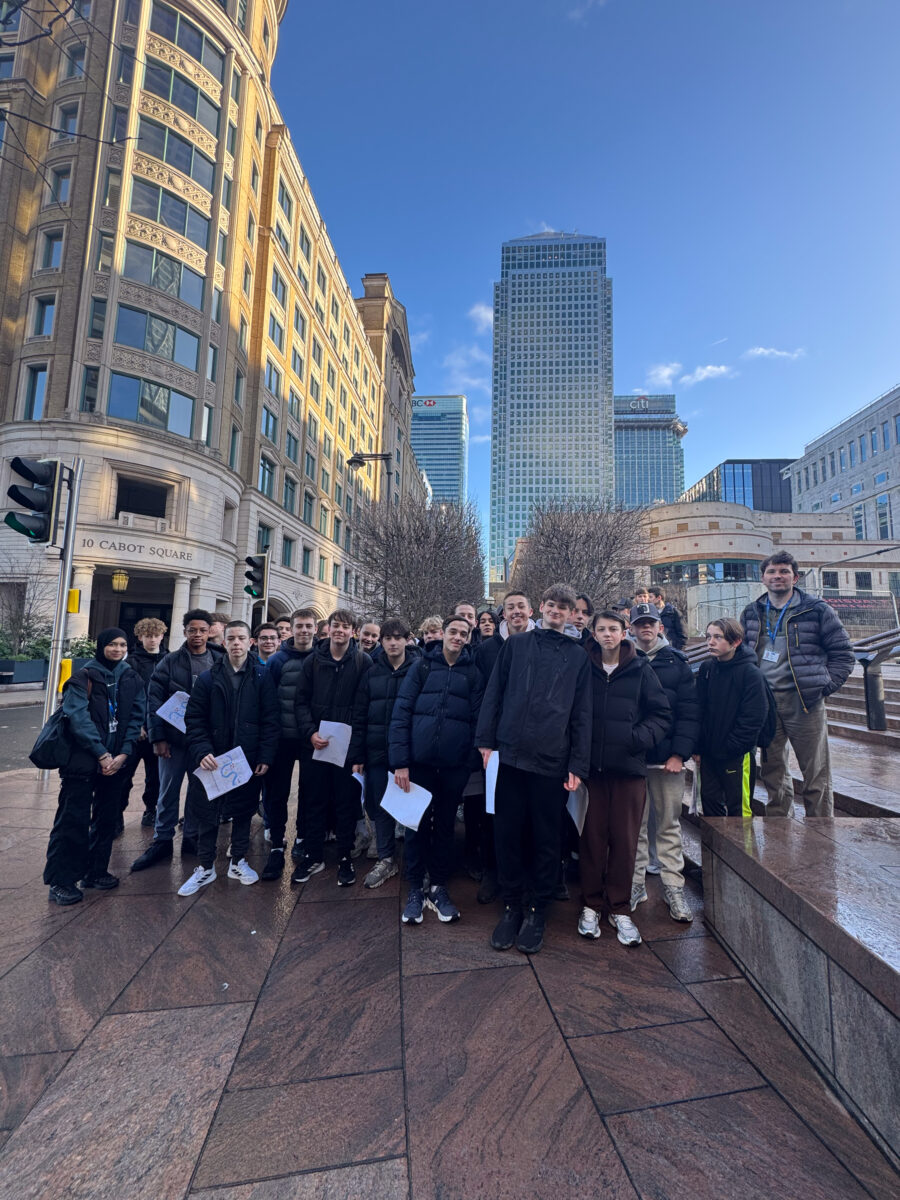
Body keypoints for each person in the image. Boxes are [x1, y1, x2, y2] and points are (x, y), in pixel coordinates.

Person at [476, 584, 591, 954]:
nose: (557, 611)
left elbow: (582, 714)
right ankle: (511, 904)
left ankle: (538, 908)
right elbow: (494, 692)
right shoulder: (517, 645)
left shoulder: (578, 657)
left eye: (564, 607)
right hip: (509, 755)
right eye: (552, 605)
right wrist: (486, 741)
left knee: (546, 837)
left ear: (572, 613)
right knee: (507, 833)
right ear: (541, 607)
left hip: (551, 761)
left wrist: (577, 764)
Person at [578, 610, 671, 947]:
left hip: (628, 771)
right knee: (591, 839)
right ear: (594, 632)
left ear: (623, 632)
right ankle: (590, 904)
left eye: (613, 629)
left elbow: (661, 714)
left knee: (625, 840)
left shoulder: (640, 668)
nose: (607, 635)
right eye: (601, 629)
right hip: (591, 771)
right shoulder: (583, 667)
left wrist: (635, 739)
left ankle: (619, 908)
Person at [740, 552, 854, 817]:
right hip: (766, 703)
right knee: (772, 769)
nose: (777, 576)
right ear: (763, 577)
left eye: (783, 571)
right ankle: (779, 823)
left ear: (795, 576)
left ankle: (821, 824)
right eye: (771, 572)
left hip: (804, 701)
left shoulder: (816, 610)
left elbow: (843, 654)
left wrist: (823, 687)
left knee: (815, 770)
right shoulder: (752, 611)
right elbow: (744, 653)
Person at [390, 614, 484, 925]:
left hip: (454, 767)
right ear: (442, 634)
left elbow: (478, 721)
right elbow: (401, 712)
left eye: (463, 633)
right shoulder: (423, 666)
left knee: (445, 827)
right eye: (453, 631)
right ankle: (415, 887)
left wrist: (467, 761)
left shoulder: (473, 674)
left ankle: (439, 886)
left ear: (468, 638)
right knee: (416, 827)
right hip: (419, 764)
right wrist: (400, 762)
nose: (458, 637)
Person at [43, 629, 145, 904]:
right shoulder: (82, 677)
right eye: (112, 644)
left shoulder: (131, 677)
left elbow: (136, 716)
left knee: (107, 819)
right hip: (84, 760)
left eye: (122, 644)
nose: (117, 649)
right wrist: (101, 754)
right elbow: (77, 718)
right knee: (72, 820)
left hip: (117, 761)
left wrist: (123, 754)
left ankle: (95, 870)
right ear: (101, 646)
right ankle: (61, 881)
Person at [179, 621, 280, 895]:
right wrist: (202, 751)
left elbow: (270, 720)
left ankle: (238, 860)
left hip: (245, 759)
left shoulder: (262, 677)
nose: (236, 643)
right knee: (208, 814)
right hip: (212, 758)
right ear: (224, 642)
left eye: (242, 638)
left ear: (251, 642)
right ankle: (205, 866)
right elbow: (194, 719)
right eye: (231, 638)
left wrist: (264, 756)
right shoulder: (208, 678)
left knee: (244, 811)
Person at [131, 610, 224, 871]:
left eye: (202, 630)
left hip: (204, 743)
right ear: (184, 632)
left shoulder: (220, 659)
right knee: (167, 792)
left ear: (210, 631)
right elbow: (155, 699)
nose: (197, 635)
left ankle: (192, 837)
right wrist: (158, 736)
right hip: (173, 740)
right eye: (192, 630)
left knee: (198, 792)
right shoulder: (170, 662)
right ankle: (162, 839)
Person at [628, 603, 699, 922]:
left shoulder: (678, 663)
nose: (645, 628)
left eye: (650, 623)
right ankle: (635, 884)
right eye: (640, 623)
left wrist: (678, 754)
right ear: (631, 628)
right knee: (636, 827)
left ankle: (673, 887)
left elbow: (688, 712)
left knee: (669, 826)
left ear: (660, 628)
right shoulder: (624, 659)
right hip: (633, 760)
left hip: (667, 760)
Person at [292, 609, 372, 886]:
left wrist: (358, 751)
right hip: (316, 746)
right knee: (313, 801)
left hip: (348, 749)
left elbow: (365, 709)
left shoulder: (363, 662)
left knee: (346, 803)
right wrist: (310, 733)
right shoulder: (313, 661)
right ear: (328, 629)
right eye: (336, 625)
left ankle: (345, 857)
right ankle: (314, 855)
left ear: (353, 631)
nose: (340, 630)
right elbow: (300, 701)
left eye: (345, 627)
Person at [349, 619, 416, 888]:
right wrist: (358, 755)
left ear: (406, 640)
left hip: (410, 753)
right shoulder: (372, 671)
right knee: (382, 808)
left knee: (412, 810)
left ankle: (415, 860)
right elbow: (360, 714)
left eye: (397, 637)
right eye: (387, 638)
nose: (392, 642)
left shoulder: (418, 669)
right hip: (377, 751)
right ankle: (387, 858)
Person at [263, 608, 318, 877]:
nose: (304, 630)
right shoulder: (277, 661)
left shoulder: (322, 658)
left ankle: (302, 837)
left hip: (310, 739)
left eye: (309, 626)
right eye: (300, 626)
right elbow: (269, 702)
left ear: (316, 629)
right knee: (277, 793)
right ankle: (276, 842)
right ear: (292, 628)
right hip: (283, 738)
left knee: (309, 792)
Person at [695, 618, 769, 817]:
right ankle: (713, 848)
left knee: (740, 811)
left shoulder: (750, 673)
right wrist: (698, 746)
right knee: (709, 805)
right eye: (708, 636)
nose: (710, 642)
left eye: (718, 637)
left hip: (736, 755)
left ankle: (742, 849)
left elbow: (754, 716)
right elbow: (699, 709)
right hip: (709, 753)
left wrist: (733, 746)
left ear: (735, 641)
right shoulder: (707, 669)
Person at [121, 617, 167, 828]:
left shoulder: (169, 660)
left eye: (156, 635)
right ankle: (117, 813)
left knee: (155, 776)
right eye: (148, 636)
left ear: (162, 636)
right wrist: (137, 724)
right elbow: (128, 696)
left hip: (159, 728)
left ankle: (151, 809)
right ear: (140, 637)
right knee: (124, 775)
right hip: (137, 730)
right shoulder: (130, 662)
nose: (153, 640)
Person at [476, 591, 535, 680]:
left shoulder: (542, 643)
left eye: (521, 607)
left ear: (530, 612)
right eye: (511, 608)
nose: (516, 611)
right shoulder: (486, 648)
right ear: (504, 614)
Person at [649, 586, 686, 651]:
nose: (648, 599)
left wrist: (677, 651)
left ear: (659, 598)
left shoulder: (674, 613)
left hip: (671, 651)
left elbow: (683, 635)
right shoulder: (649, 614)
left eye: (651, 597)